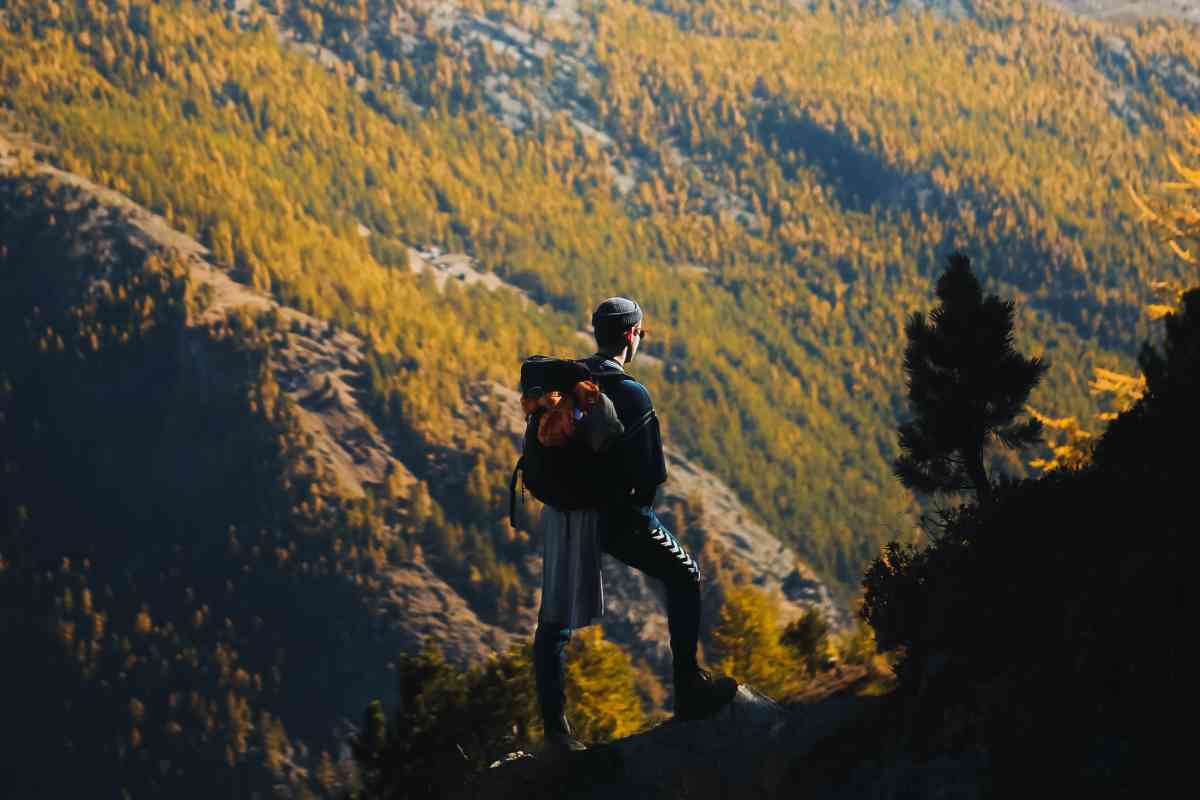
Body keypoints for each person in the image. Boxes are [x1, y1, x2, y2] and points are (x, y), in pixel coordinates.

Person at [533, 297, 738, 755]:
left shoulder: (569, 384)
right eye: (640, 333)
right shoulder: (631, 394)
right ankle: (689, 689)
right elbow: (649, 476)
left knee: (554, 623)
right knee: (684, 575)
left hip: (566, 516)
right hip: (617, 518)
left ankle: (556, 733)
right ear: (631, 336)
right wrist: (632, 515)